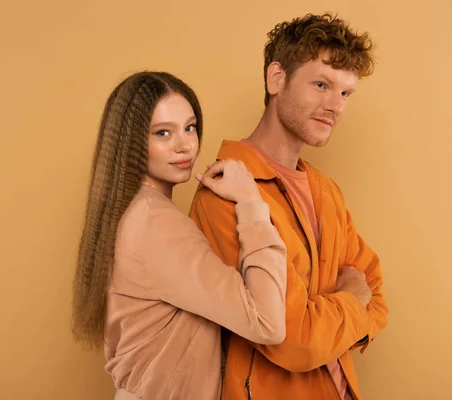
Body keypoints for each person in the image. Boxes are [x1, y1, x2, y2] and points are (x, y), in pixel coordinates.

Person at [189, 13, 389, 400]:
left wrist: (331, 313)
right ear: (276, 78)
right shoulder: (225, 192)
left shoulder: (325, 190)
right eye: (321, 84)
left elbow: (377, 293)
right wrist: (352, 299)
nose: (336, 106)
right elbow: (293, 340)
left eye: (346, 93)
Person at [71, 71, 288, 399]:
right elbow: (267, 321)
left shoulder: (133, 210)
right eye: (162, 133)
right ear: (131, 144)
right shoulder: (156, 223)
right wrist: (251, 202)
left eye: (189, 127)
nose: (184, 145)